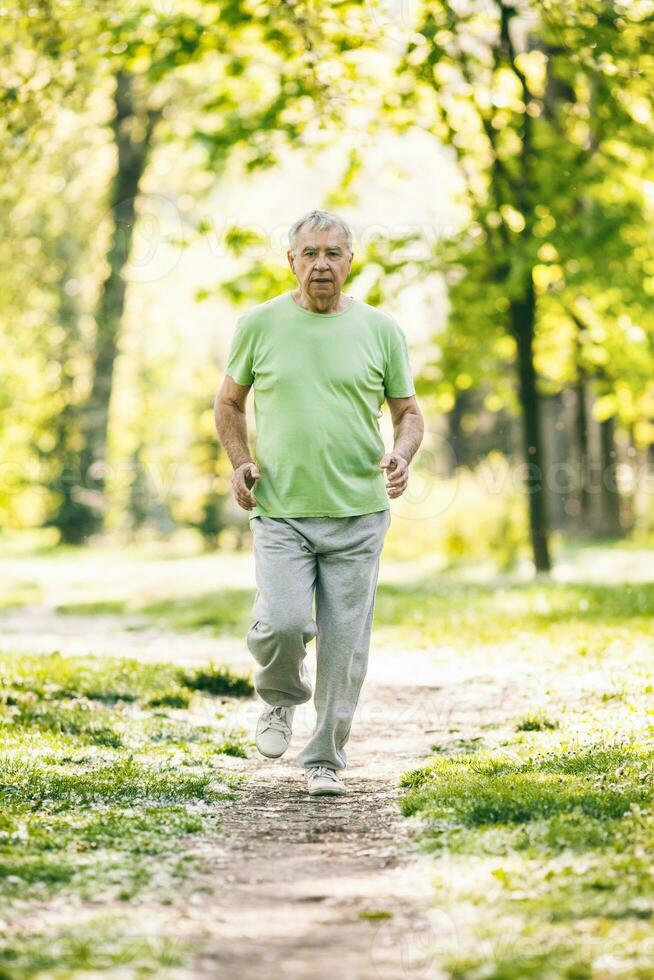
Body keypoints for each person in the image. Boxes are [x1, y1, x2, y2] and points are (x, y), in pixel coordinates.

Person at [214, 209, 424, 797]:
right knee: (281, 622)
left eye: (333, 253)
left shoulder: (381, 330)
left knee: (343, 646)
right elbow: (228, 403)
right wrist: (240, 461)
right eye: (310, 254)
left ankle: (325, 758)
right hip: (280, 511)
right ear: (291, 262)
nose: (322, 265)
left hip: (359, 512)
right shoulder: (258, 325)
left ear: (350, 262)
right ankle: (279, 697)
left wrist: (403, 455)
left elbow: (409, 412)